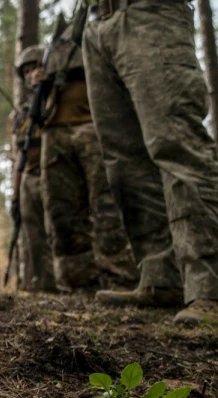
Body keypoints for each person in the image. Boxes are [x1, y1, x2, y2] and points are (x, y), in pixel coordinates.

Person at [82, 0, 218, 325]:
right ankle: (161, 278)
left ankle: (212, 288)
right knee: (124, 162)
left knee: (177, 146)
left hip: (150, 13)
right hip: (95, 22)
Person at [36, 22, 138, 293]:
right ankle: (77, 284)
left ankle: (121, 280)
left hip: (94, 127)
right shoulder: (55, 44)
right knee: (61, 212)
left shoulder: (105, 24)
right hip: (54, 132)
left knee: (107, 206)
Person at [11, 46, 58, 293]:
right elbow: (19, 154)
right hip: (29, 176)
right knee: (33, 234)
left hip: (54, 171)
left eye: (34, 68)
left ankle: (68, 283)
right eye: (26, 71)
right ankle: (43, 285)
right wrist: (15, 194)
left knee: (58, 230)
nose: (31, 75)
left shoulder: (57, 97)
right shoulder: (22, 114)